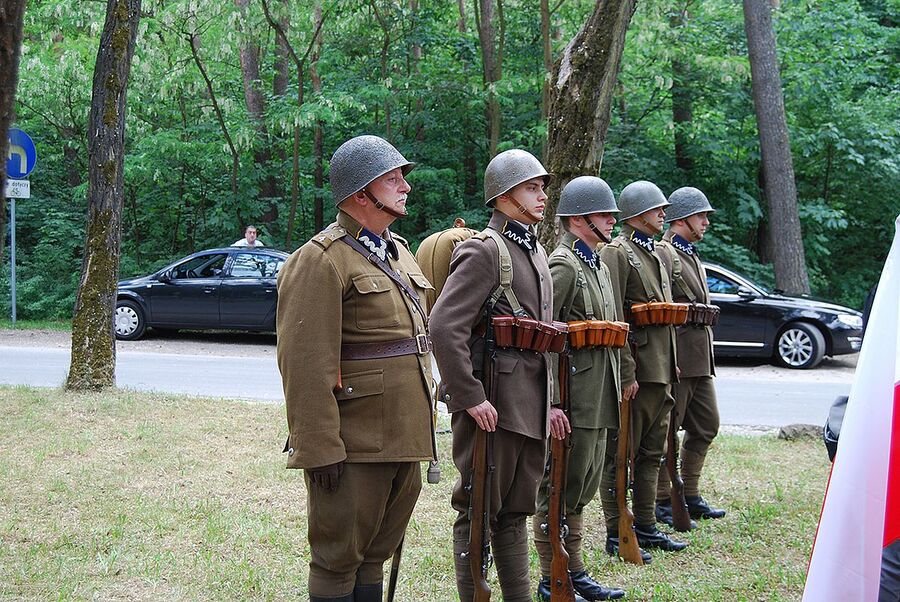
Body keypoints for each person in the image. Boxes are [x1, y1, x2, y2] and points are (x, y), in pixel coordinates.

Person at [276, 135, 437, 602]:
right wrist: (319, 447)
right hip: (355, 442)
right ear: (359, 194)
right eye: (392, 179)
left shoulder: (399, 252)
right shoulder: (322, 259)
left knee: (374, 554)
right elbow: (304, 364)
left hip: (404, 435)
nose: (405, 186)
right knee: (337, 557)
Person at [429, 149, 554, 602]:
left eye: (542, 187)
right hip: (493, 405)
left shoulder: (536, 250)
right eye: (531, 187)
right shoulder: (485, 251)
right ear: (504, 196)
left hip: (529, 403)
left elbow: (542, 337)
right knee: (478, 508)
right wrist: (469, 396)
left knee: (515, 508)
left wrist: (553, 402)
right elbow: (444, 326)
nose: (542, 195)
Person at [531, 176, 626, 601]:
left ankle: (576, 571)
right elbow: (546, 338)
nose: (611, 220)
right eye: (604, 214)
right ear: (578, 220)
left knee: (584, 484)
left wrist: (623, 381)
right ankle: (554, 577)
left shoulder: (601, 266)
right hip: (573, 397)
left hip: (599, 395)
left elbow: (614, 332)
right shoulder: (563, 265)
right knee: (560, 487)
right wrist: (551, 401)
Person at [599, 180, 686, 554]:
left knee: (652, 453)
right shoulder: (619, 253)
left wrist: (674, 365)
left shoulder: (656, 254)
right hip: (640, 370)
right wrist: (626, 371)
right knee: (620, 454)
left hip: (663, 368)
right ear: (636, 215)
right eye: (657, 209)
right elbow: (614, 315)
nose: (664, 214)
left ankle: (647, 524)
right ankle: (618, 530)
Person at [654, 186, 726, 527]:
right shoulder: (665, 253)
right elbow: (660, 308)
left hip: (699, 358)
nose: (706, 222)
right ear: (682, 219)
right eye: (701, 216)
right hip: (678, 357)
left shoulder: (690, 253)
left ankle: (690, 493)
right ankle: (661, 499)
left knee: (706, 425)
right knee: (666, 431)